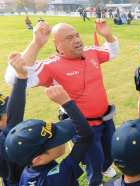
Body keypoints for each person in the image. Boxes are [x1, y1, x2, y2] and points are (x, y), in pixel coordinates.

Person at [5, 19, 119, 186]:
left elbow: (112, 51)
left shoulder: (91, 52)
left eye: (77, 35)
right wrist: (36, 44)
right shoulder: (51, 65)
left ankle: (104, 166)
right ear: (57, 45)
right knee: (93, 158)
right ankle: (95, 181)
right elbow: (14, 77)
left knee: (108, 151)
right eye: (70, 38)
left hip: (106, 119)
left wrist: (107, 35)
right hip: (82, 126)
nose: (78, 40)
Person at [5, 55, 94, 186]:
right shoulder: (57, 177)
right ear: (38, 159)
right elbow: (86, 136)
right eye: (56, 141)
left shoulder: (26, 171)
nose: (64, 140)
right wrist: (66, 102)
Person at [0, 53, 27, 186]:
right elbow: (16, 111)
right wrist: (21, 77)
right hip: (20, 181)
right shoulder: (5, 138)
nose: (10, 111)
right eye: (7, 111)